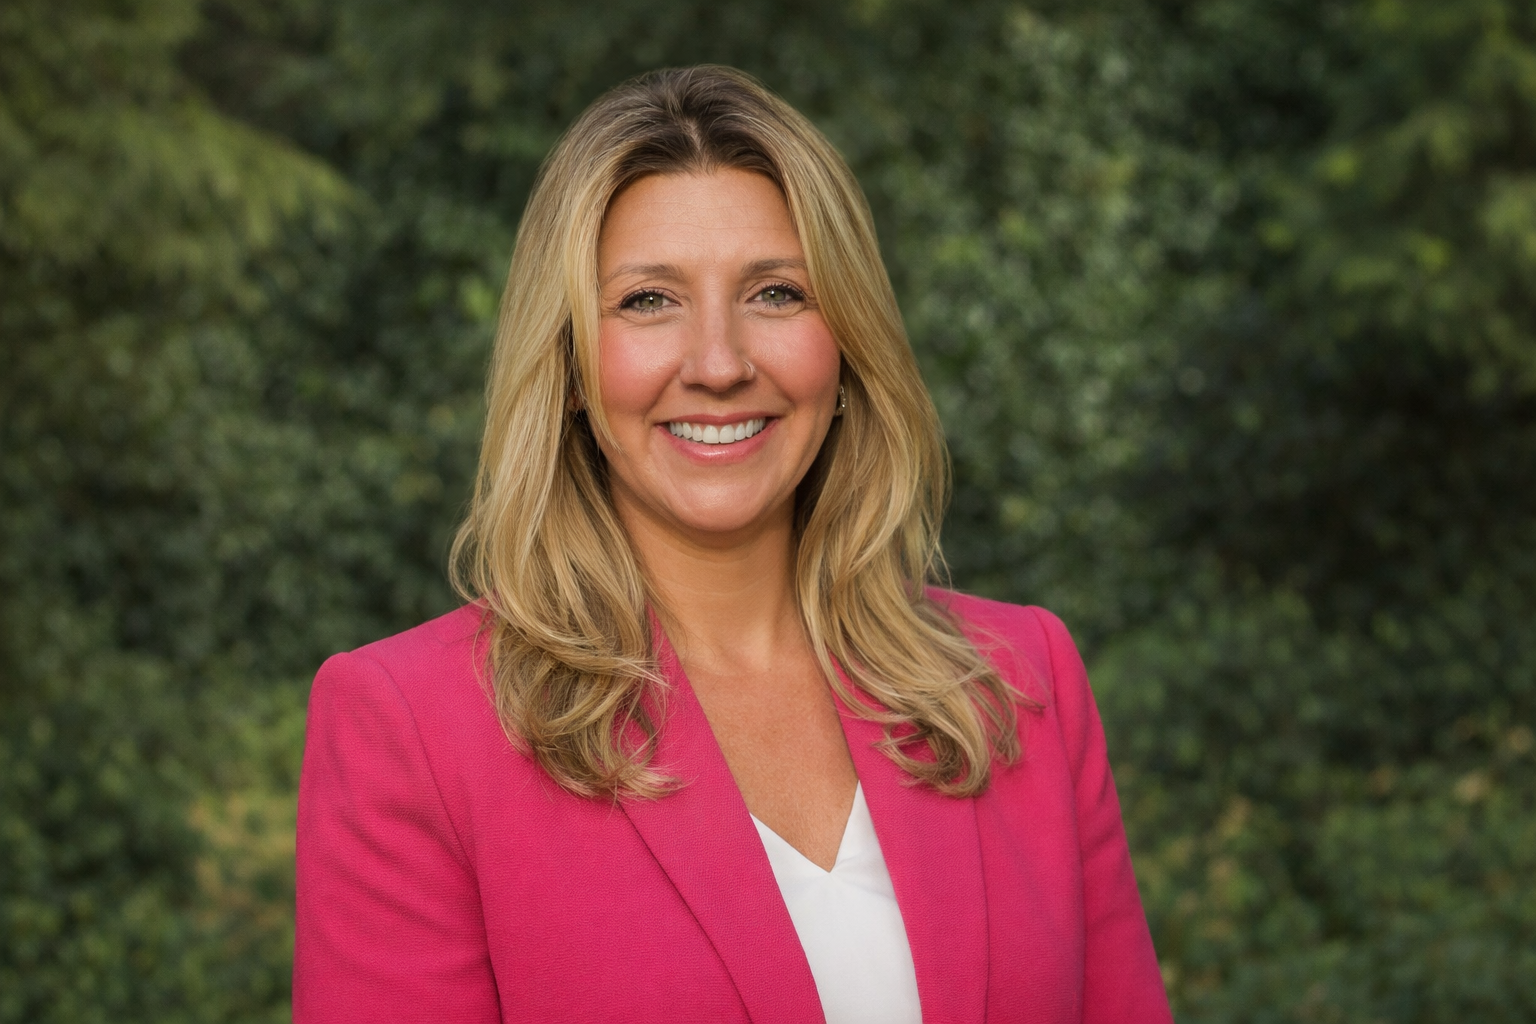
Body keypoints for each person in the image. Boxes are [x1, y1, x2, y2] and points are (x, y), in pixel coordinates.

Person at [294, 65, 1172, 1024]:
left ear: (847, 349)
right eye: (647, 302)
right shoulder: (413, 728)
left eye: (778, 293)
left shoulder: (1019, 683)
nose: (718, 364)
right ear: (574, 366)